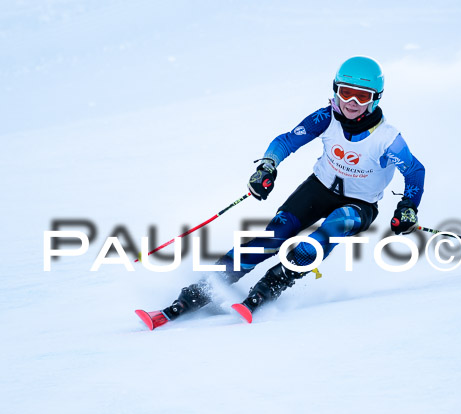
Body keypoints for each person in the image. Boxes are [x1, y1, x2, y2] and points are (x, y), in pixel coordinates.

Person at [157, 56, 425, 323]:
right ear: (335, 89)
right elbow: (286, 141)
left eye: (362, 97)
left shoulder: (387, 139)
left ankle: (273, 283)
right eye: (346, 92)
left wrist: (408, 207)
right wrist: (267, 167)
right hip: (318, 189)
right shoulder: (326, 117)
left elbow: (414, 171)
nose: (352, 103)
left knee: (331, 228)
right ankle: (205, 286)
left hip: (359, 204)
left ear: (375, 98)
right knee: (275, 237)